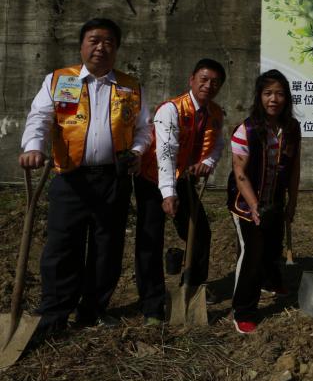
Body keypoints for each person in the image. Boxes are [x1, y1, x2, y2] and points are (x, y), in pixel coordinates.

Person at [19, 18, 152, 334]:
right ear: (81, 45)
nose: (100, 47)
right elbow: (40, 117)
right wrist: (33, 146)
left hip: (113, 178)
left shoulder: (130, 87)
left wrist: (137, 151)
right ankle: (54, 313)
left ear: (116, 49)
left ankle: (93, 310)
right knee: (63, 246)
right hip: (70, 178)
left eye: (108, 42)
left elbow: (145, 128)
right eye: (94, 40)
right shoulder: (60, 80)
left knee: (107, 247)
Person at [134, 58, 226, 325]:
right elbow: (165, 152)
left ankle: (193, 286)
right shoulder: (171, 110)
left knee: (199, 231)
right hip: (153, 178)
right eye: (204, 79)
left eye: (215, 82)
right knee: (151, 239)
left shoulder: (215, 113)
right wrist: (168, 193)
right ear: (192, 80)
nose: (208, 86)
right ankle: (151, 303)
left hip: (183, 179)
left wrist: (208, 162)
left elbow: (217, 144)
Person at [227, 69, 301, 334]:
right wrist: (254, 206)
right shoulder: (246, 129)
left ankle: (271, 281)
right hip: (246, 203)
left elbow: (295, 167)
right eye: (268, 93)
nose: (274, 99)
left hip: (275, 199)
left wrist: (292, 202)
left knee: (272, 243)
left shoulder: (291, 128)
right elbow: (240, 173)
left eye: (279, 94)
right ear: (259, 97)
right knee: (253, 253)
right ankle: (243, 310)